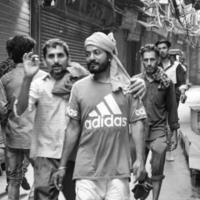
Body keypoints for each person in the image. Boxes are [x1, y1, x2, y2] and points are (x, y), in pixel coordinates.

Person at [15, 36, 146, 200]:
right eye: (51, 56)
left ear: (69, 58)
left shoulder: (81, 79)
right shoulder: (39, 84)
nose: (56, 61)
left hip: (77, 156)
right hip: (47, 154)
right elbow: (19, 110)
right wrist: (27, 77)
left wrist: (141, 83)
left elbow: (113, 76)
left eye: (60, 55)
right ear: (44, 60)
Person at [0, 34, 47, 200]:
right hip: (35, 138)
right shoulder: (42, 76)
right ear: (29, 53)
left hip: (13, 138)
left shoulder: (5, 79)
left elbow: (3, 111)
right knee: (42, 178)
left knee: (13, 181)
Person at [136, 44, 179, 200]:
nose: (149, 63)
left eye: (152, 59)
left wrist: (173, 132)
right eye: (145, 60)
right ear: (142, 60)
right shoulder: (135, 81)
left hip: (158, 129)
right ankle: (143, 180)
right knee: (136, 167)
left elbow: (172, 108)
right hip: (139, 130)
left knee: (157, 164)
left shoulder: (166, 82)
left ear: (158, 60)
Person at [155, 40, 187, 106]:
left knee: (171, 116)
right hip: (158, 98)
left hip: (173, 98)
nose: (161, 50)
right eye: (159, 49)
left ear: (168, 49)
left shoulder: (176, 65)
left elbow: (182, 82)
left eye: (164, 48)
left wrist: (183, 93)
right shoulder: (155, 66)